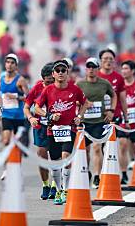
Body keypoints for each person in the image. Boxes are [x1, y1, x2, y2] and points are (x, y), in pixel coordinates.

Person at [35, 59, 90, 205]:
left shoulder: (74, 89)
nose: (60, 73)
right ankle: (59, 191)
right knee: (55, 162)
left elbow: (86, 103)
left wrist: (79, 116)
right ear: (53, 74)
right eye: (57, 71)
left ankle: (65, 190)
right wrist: (49, 116)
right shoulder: (48, 90)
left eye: (63, 71)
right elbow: (36, 108)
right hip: (52, 130)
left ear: (67, 73)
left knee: (65, 158)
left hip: (69, 129)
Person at [76, 57, 115, 189]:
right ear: (86, 69)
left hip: (99, 122)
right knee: (84, 151)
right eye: (89, 67)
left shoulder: (104, 83)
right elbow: (73, 99)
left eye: (93, 67)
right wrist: (84, 104)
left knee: (97, 148)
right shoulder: (79, 84)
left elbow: (114, 95)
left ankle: (97, 176)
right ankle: (86, 173)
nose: (91, 69)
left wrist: (111, 111)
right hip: (84, 122)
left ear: (98, 69)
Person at [23, 62, 56, 200]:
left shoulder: (60, 86)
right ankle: (45, 184)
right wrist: (30, 118)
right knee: (42, 155)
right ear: (43, 79)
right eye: (47, 81)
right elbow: (26, 107)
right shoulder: (36, 88)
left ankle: (56, 186)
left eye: (52, 81)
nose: (49, 84)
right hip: (40, 126)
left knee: (56, 157)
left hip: (56, 127)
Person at [0, 53, 29, 146]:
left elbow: (29, 98)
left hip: (18, 116)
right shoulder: (0, 80)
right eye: (7, 62)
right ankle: (5, 160)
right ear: (5, 64)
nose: (9, 65)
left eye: (12, 63)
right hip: (6, 115)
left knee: (17, 144)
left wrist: (16, 97)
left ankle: (15, 159)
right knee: (6, 141)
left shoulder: (20, 80)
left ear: (16, 65)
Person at [97, 49, 127, 132]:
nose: (108, 61)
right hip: (98, 117)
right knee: (98, 144)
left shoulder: (119, 78)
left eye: (111, 59)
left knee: (113, 143)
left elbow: (123, 100)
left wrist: (126, 120)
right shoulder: (94, 76)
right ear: (100, 60)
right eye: (105, 58)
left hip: (115, 116)